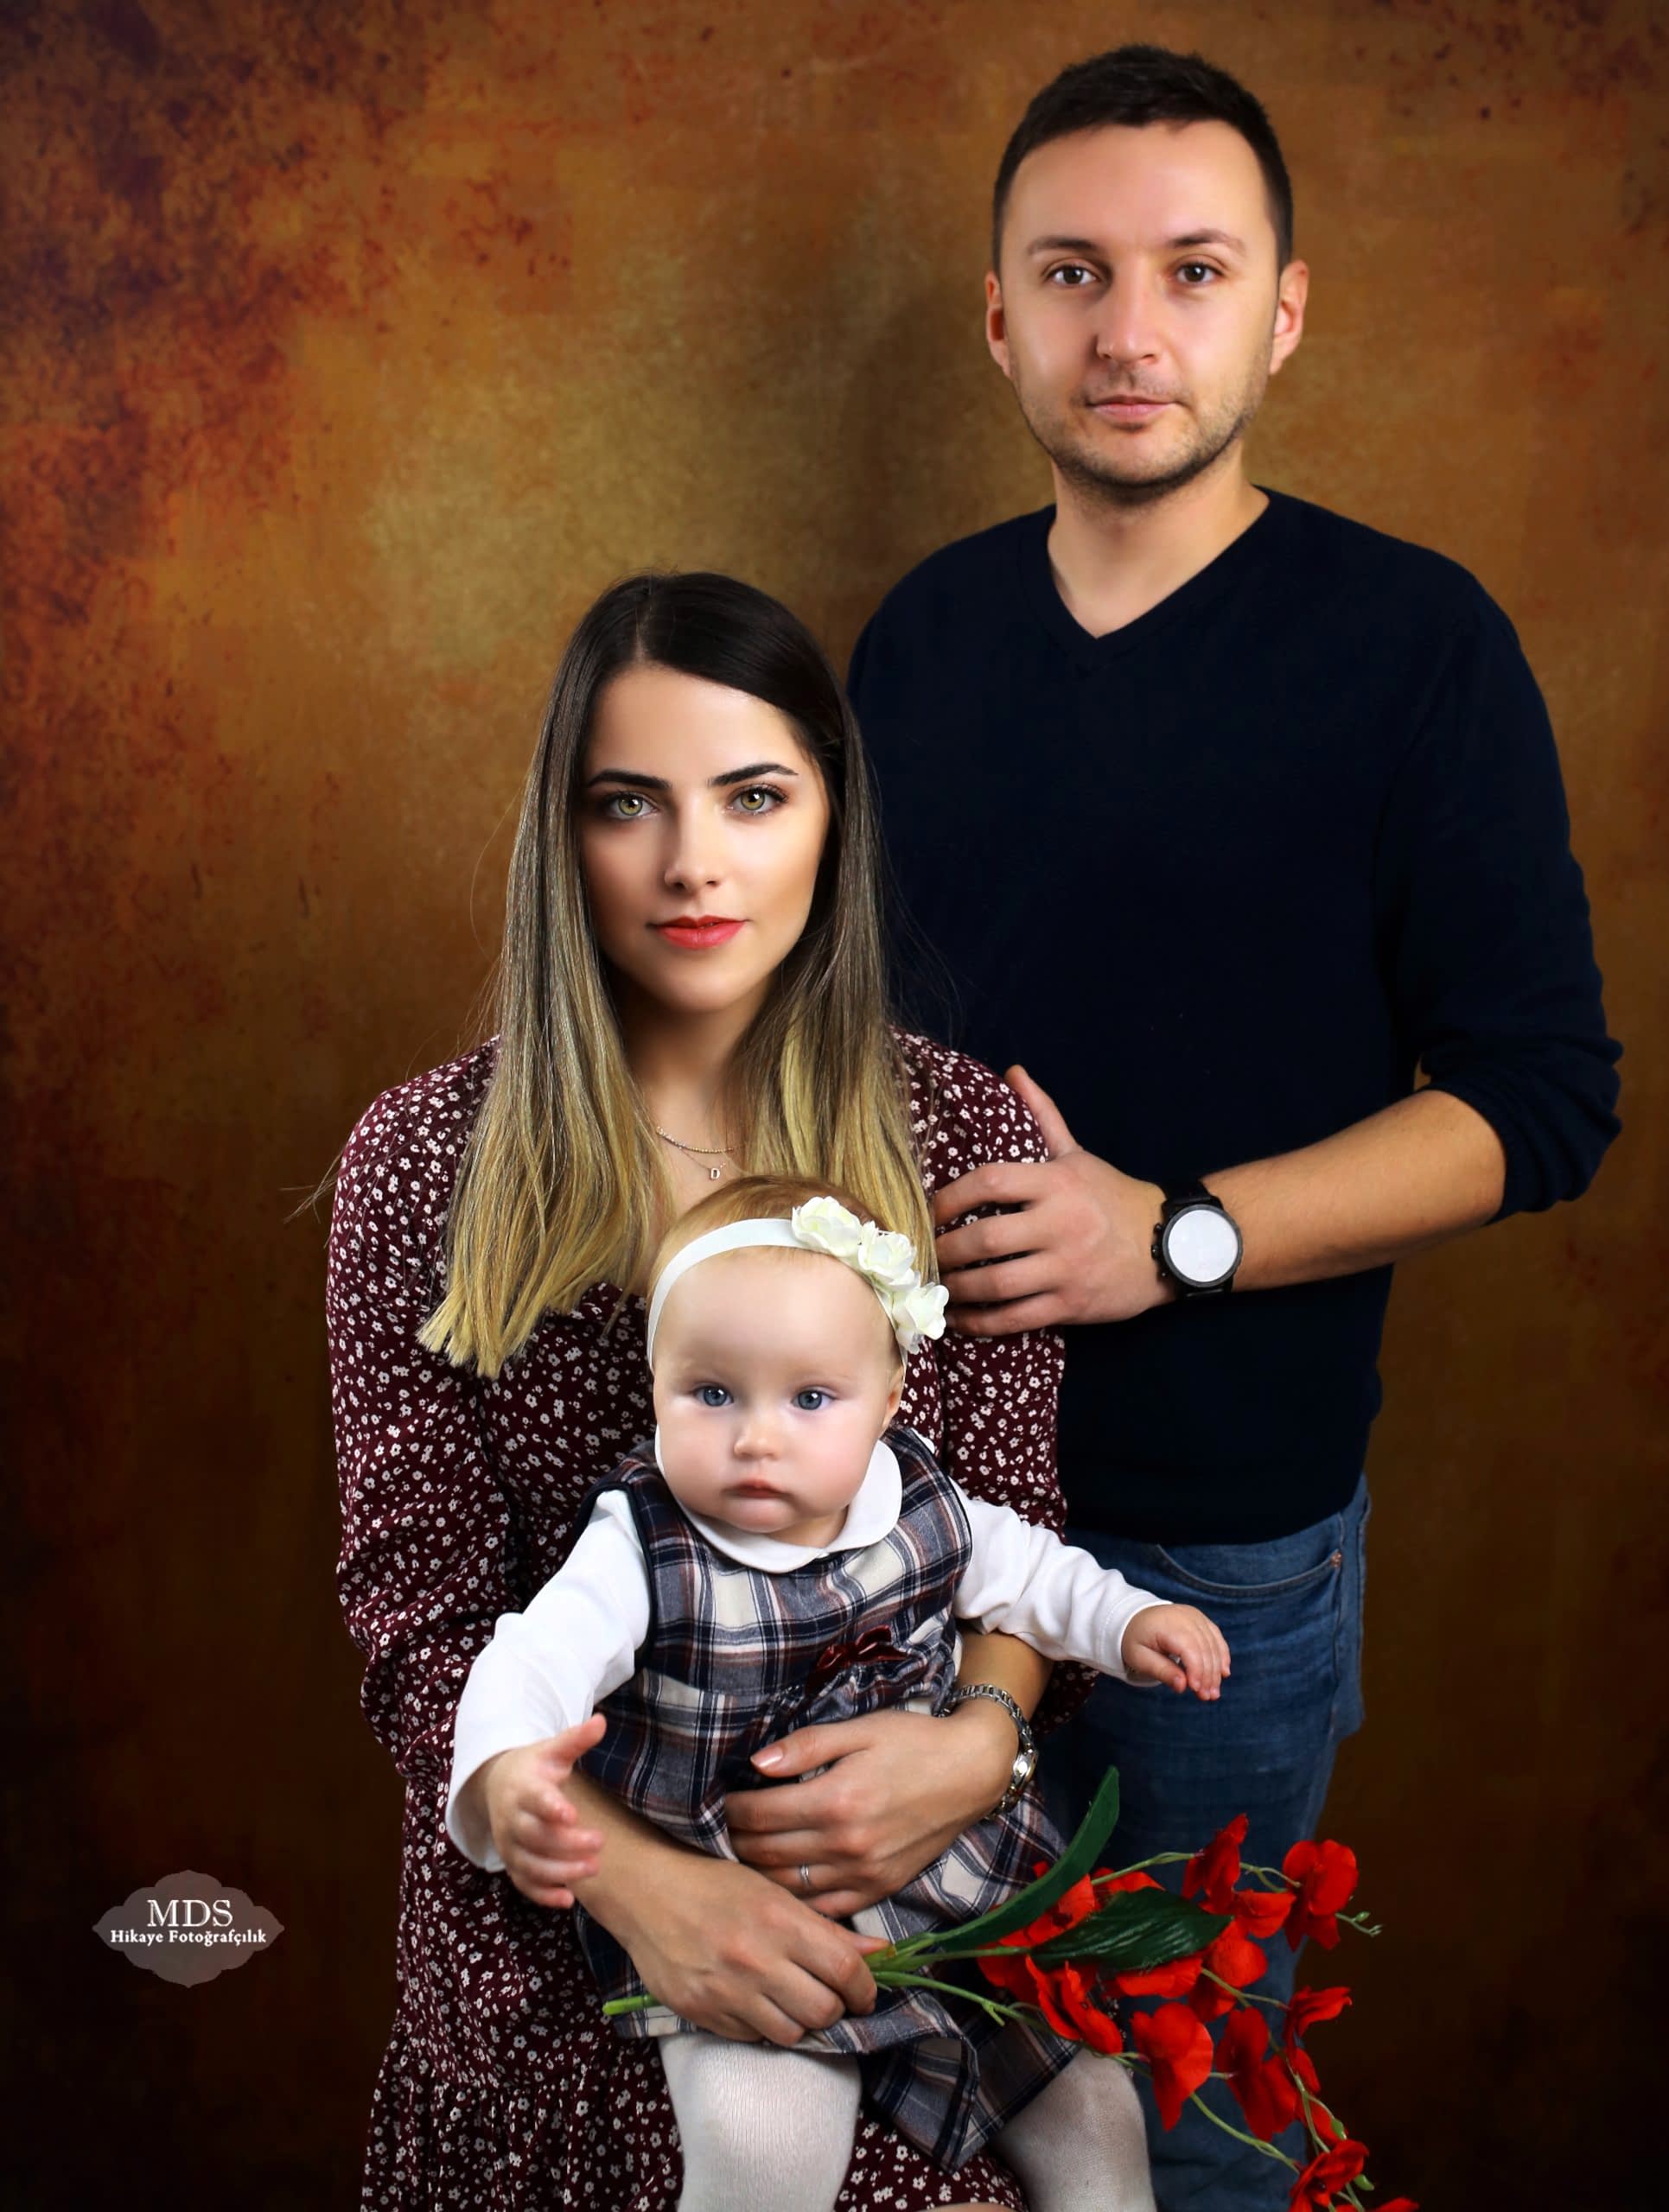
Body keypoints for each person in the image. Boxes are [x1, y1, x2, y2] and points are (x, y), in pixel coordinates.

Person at [846, 42, 1621, 2211]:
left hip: (1214, 1552)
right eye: (1070, 273)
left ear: (1279, 311)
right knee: (898, 2116)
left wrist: (1166, 1233)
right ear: (995, 316)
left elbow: (1539, 1098)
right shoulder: (916, 640)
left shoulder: (1412, 646)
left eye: (1189, 271)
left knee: (1184, 2133)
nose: (1128, 328)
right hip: (895, 1524)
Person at [328, 569, 1151, 2211]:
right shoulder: (425, 1163)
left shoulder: (952, 1134)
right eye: (627, 804)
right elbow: (418, 1627)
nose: (692, 863)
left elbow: (1007, 1533)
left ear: (830, 818)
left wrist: (976, 1744)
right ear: (562, 838)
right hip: (557, 1940)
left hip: (889, 1924)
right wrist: (644, 1889)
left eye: (753, 798)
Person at [443, 1174, 1230, 2212]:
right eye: (710, 1393)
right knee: (765, 2147)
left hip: (945, 1877)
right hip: (745, 1909)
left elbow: (1036, 1579)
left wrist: (1130, 1623)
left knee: (1095, 2113)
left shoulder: (918, 1498)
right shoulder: (640, 1546)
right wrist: (507, 1774)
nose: (756, 1439)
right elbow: (525, 1664)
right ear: (654, 1380)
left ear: (889, 1394)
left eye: (809, 1398)